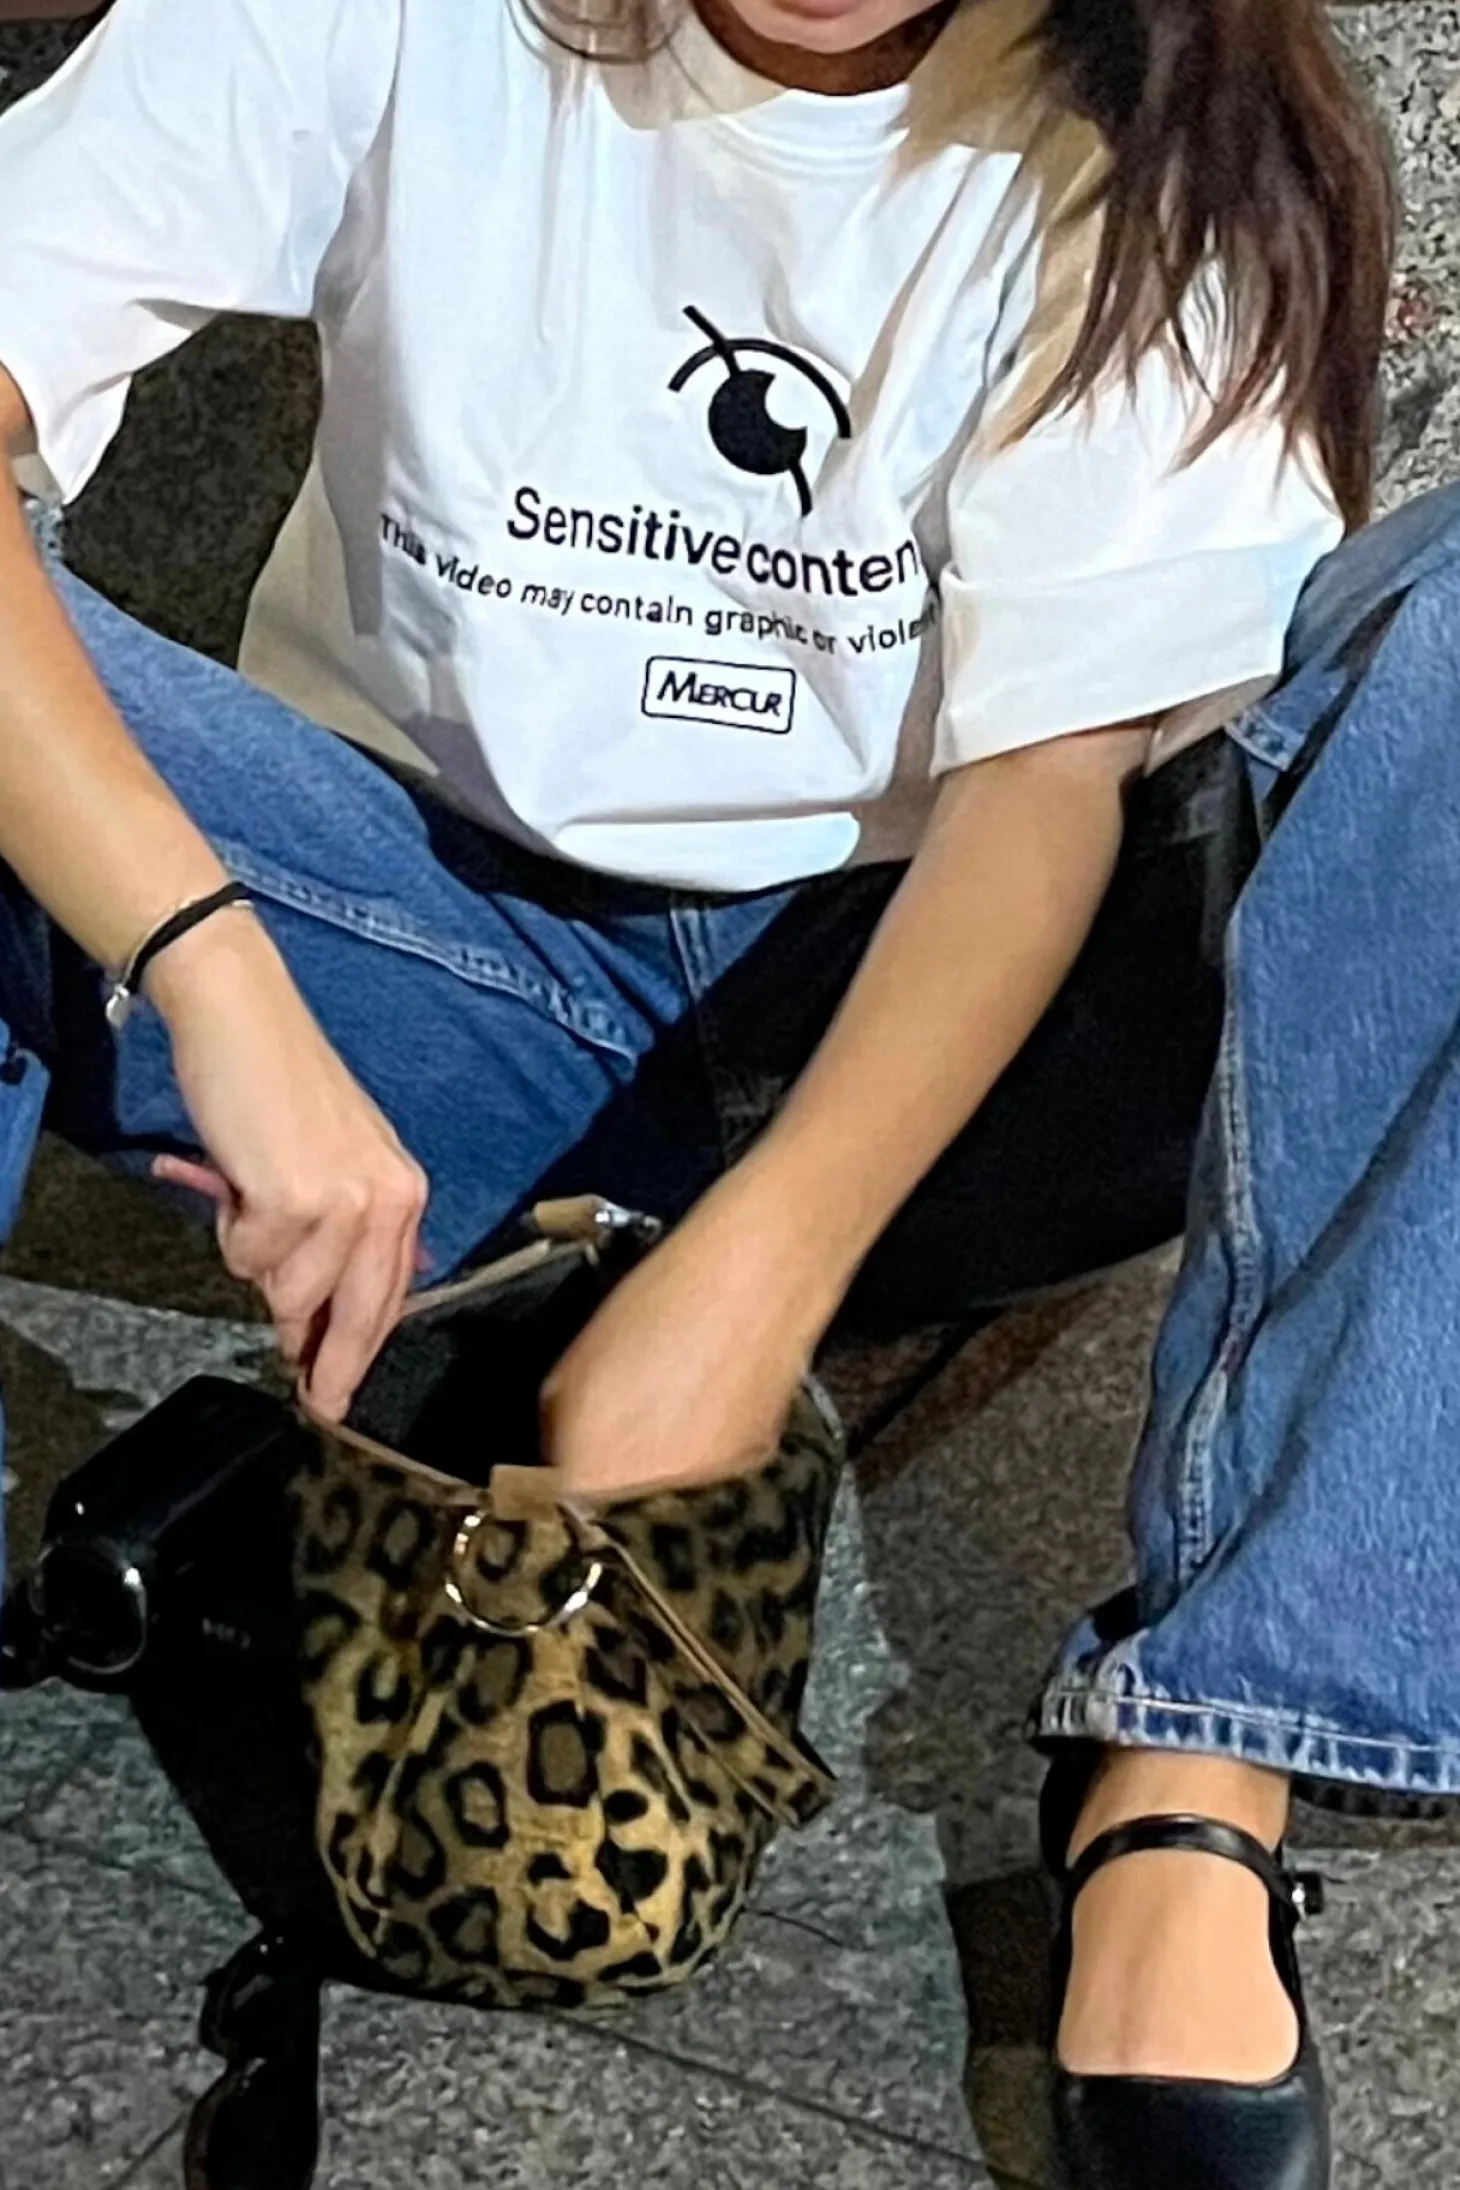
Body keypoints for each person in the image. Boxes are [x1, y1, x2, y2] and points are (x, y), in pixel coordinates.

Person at [0, 0, 1452, 2179]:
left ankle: (1198, 1767)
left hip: (974, 1038)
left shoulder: (1154, 103)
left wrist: (757, 1271)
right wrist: (209, 967)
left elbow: (1043, 792)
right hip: (435, 967)